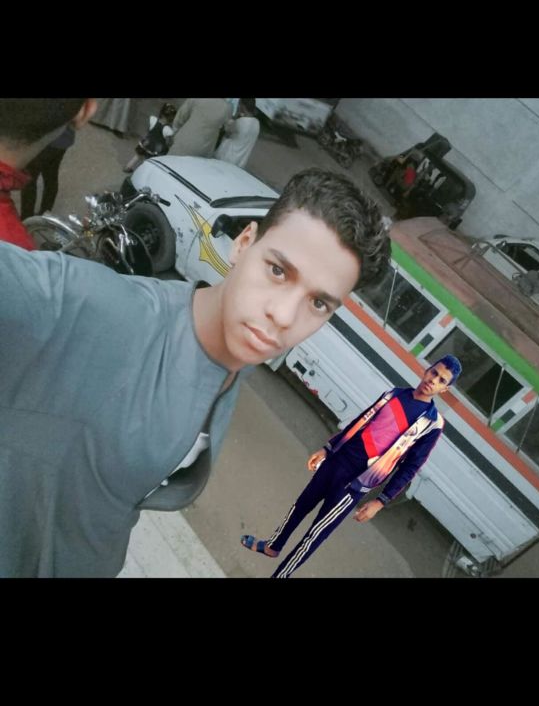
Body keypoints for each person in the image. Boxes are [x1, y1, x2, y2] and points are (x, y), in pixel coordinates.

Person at [0, 159, 390, 577]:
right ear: (243, 244)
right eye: (278, 271)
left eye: (318, 303)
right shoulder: (107, 308)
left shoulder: (235, 361)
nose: (283, 315)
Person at [241, 354, 462, 578]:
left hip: (355, 482)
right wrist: (328, 448)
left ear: (445, 389)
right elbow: (361, 420)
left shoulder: (432, 424)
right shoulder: (396, 393)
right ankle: (273, 546)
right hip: (337, 460)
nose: (433, 380)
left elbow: (410, 468)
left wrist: (380, 501)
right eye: (434, 372)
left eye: (441, 380)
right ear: (427, 370)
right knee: (300, 506)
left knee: (315, 535)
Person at [0, 99, 96, 250]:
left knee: (32, 180)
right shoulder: (21, 251)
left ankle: (28, 217)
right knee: (51, 176)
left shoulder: (12, 248)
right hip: (62, 144)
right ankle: (44, 213)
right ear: (86, 111)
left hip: (50, 147)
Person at [20, 125, 76, 219]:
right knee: (51, 174)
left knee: (28, 178)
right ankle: (45, 213)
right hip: (64, 138)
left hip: (47, 140)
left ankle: (27, 218)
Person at [123, 102, 177, 173]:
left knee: (137, 156)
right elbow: (168, 142)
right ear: (172, 118)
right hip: (155, 149)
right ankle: (140, 173)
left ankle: (127, 167)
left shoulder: (153, 119)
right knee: (147, 162)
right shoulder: (168, 130)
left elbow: (148, 130)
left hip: (146, 142)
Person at [213, 98, 260, 169]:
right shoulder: (257, 124)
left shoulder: (240, 122)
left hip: (226, 157)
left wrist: (236, 114)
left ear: (243, 106)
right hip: (240, 162)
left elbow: (227, 129)